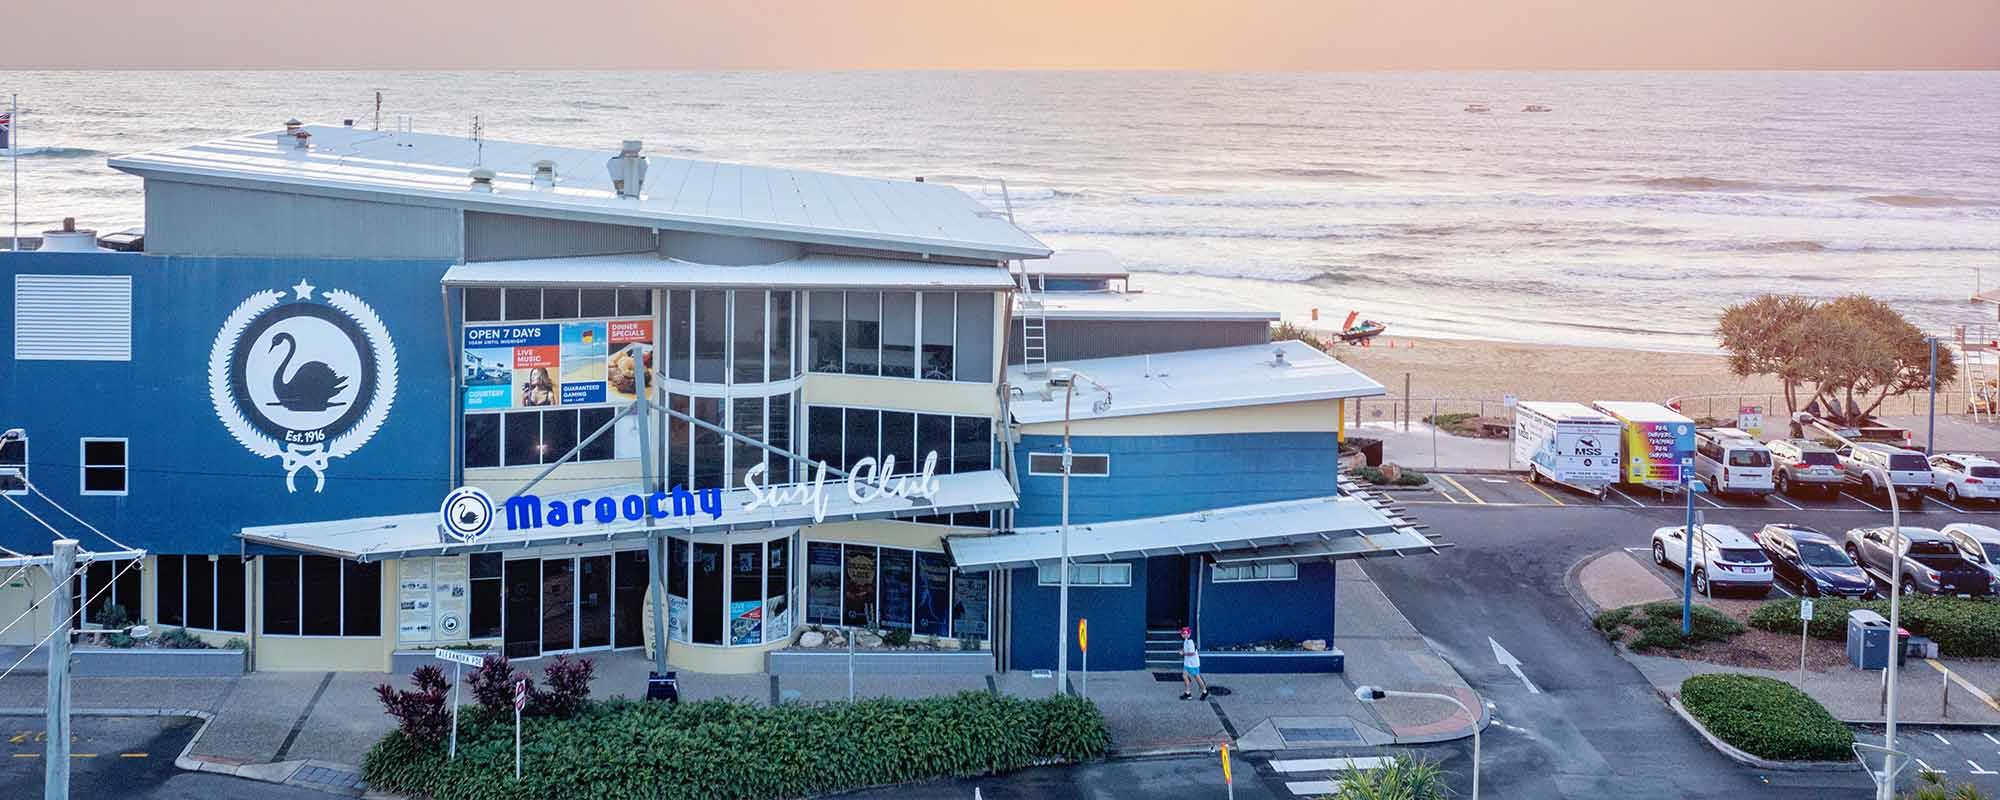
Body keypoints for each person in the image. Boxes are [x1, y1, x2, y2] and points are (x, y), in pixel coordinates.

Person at [1179, 626, 1208, 701]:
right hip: (1187, 663)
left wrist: (1183, 653)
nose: (1184, 635)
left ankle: (1204, 691)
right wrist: (1183, 650)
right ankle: (1188, 693)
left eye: (1185, 633)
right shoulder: (1186, 641)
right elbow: (1186, 649)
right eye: (1183, 633)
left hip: (1193, 664)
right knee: (1184, 676)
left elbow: (1191, 653)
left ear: (1189, 634)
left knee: (1197, 678)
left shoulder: (1191, 642)